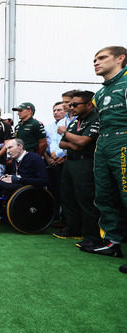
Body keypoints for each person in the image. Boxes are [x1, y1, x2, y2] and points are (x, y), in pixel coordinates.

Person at [81, 46, 127, 258]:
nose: (96, 62)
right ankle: (112, 242)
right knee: (104, 195)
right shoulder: (99, 93)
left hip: (123, 142)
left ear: (120, 58)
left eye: (102, 58)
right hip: (104, 145)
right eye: (94, 59)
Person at [53, 91, 101, 249]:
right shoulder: (75, 121)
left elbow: (82, 141)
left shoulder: (95, 117)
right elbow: (62, 144)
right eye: (70, 104)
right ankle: (73, 229)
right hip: (70, 162)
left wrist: (67, 134)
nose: (70, 107)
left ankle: (92, 237)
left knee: (86, 200)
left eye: (74, 105)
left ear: (88, 104)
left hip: (85, 163)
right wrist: (73, 142)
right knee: (68, 198)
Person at [44, 102, 67, 224]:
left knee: (64, 191)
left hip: (65, 161)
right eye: (54, 110)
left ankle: (65, 218)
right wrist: (48, 158)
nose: (56, 112)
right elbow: (44, 145)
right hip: (51, 162)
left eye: (59, 110)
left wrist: (64, 158)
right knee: (52, 190)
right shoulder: (48, 127)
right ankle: (54, 216)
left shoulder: (70, 124)